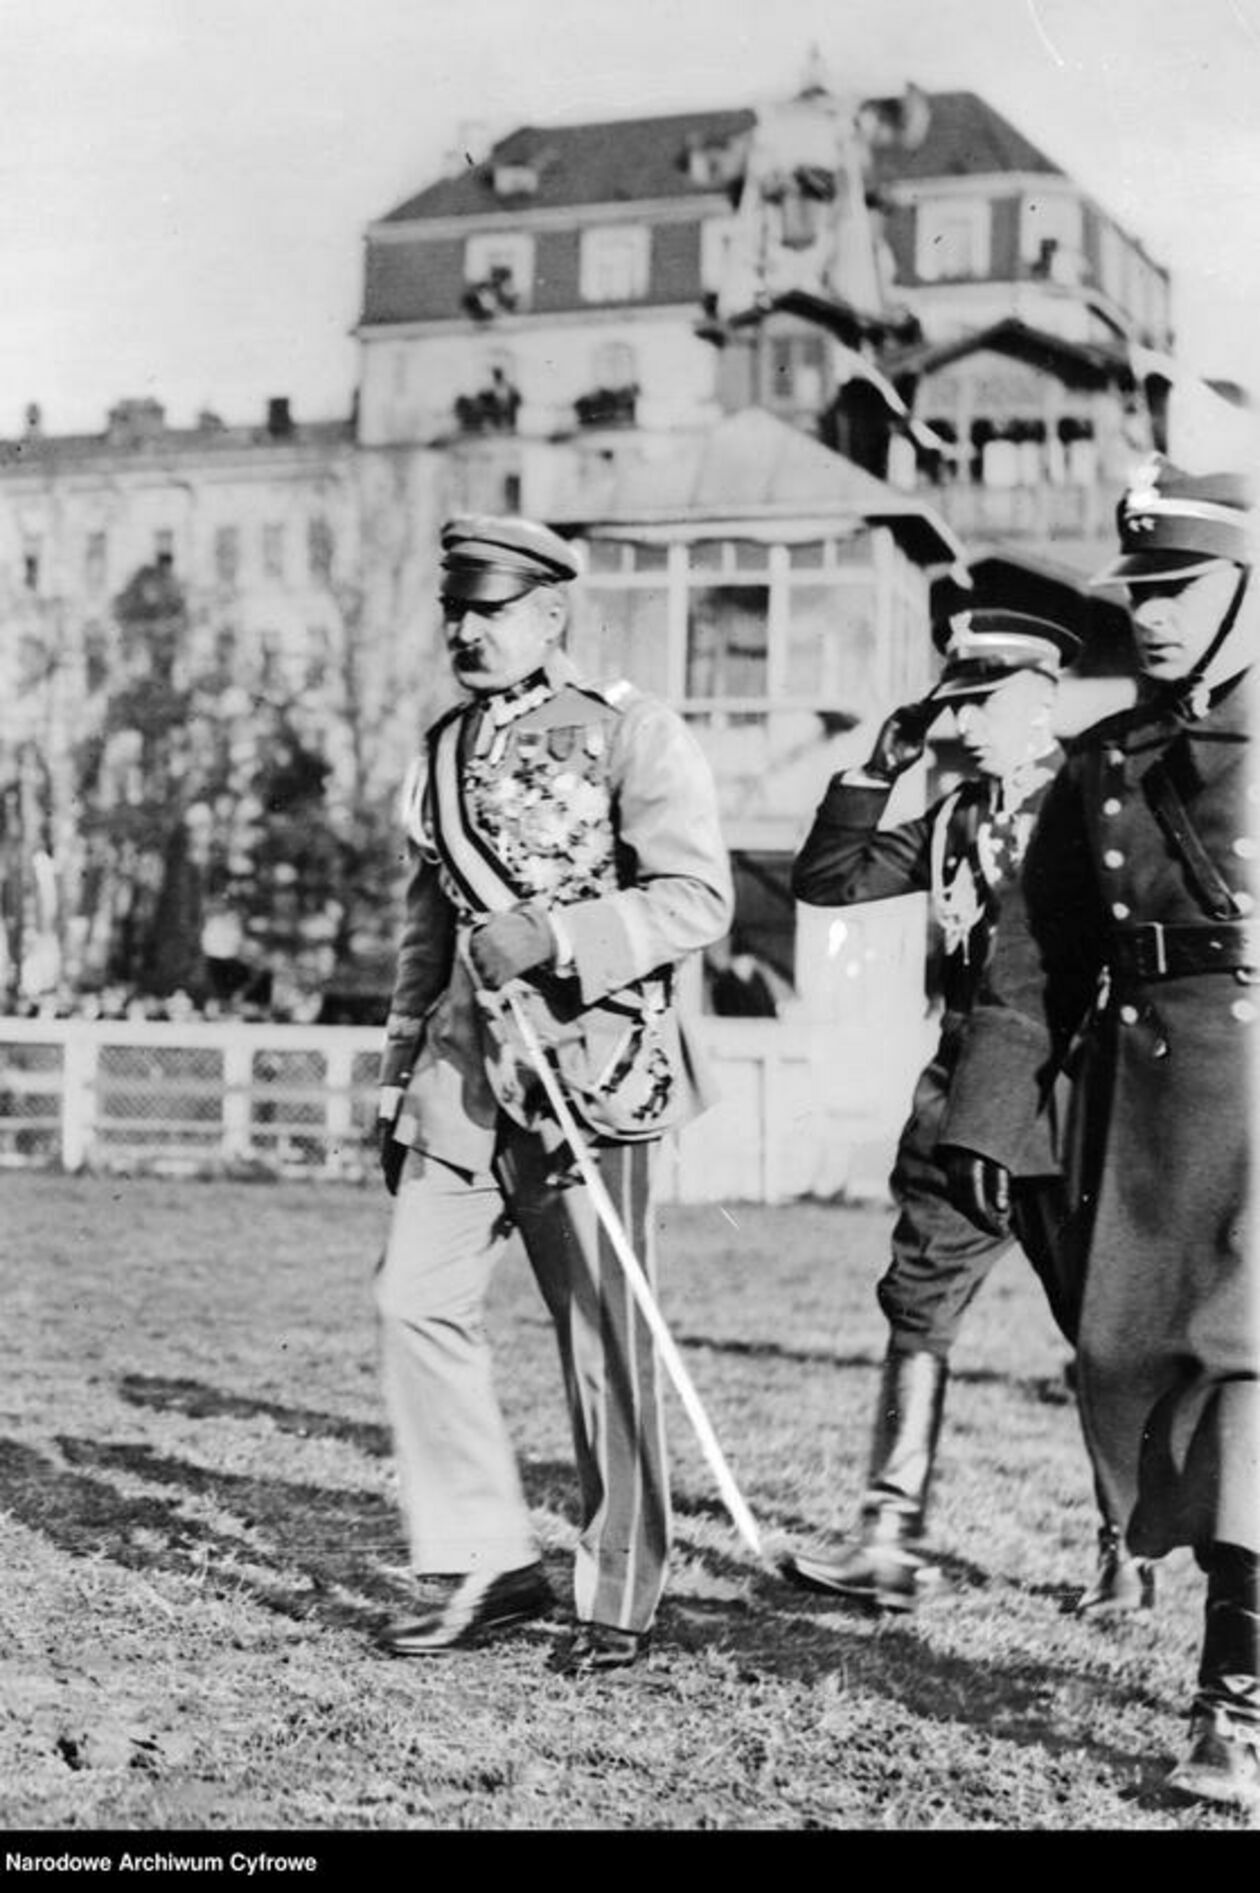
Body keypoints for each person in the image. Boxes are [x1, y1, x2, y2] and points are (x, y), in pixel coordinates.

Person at [937, 459, 1259, 1809]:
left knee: (1243, 1370)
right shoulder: (1105, 757)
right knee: (1136, 1367)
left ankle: (1233, 1705)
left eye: (1182, 587)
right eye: (1144, 590)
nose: (1156, 613)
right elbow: (1035, 956)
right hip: (1145, 1107)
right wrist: (991, 1116)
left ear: (1246, 589)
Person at [373, 513, 733, 1674]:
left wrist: (558, 935)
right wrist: (395, 1078)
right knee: (412, 1299)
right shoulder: (439, 752)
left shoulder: (633, 731)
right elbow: (426, 934)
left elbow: (696, 899)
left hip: (590, 1074)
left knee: (600, 1337)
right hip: (460, 1079)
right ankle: (486, 1563)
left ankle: (617, 1592)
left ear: (549, 614)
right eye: (454, 612)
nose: (466, 633)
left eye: (489, 611)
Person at [779, 609, 1143, 1614]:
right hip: (958, 1095)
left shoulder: (1098, 802)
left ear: (1044, 700)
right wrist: (878, 768)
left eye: (986, 702)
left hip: (1073, 1100)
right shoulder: (953, 817)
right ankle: (888, 1536)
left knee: (1103, 1326)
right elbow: (829, 879)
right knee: (918, 1302)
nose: (965, 722)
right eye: (956, 704)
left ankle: (1129, 1547)